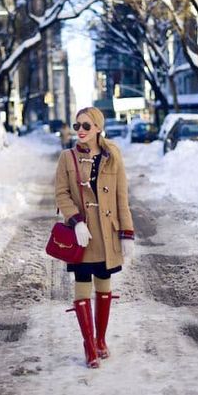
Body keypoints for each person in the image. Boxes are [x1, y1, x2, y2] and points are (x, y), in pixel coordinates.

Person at [54, 106, 135, 368]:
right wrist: (76, 221)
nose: (80, 131)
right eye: (77, 125)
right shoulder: (67, 157)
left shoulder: (112, 155)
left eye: (86, 126)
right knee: (81, 285)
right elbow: (61, 194)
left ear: (98, 128)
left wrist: (126, 232)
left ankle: (101, 340)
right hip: (83, 235)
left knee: (104, 284)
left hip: (107, 232)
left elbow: (122, 196)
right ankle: (89, 346)